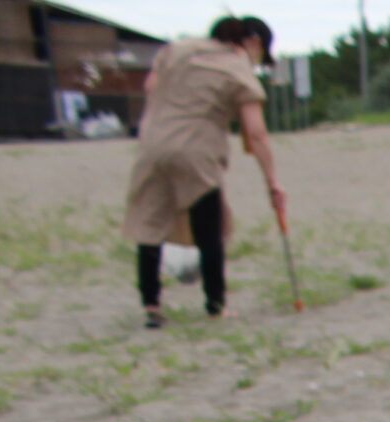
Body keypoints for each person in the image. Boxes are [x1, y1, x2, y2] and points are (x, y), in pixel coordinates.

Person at [122, 17, 285, 330]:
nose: (258, 61)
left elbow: (150, 87)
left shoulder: (176, 49)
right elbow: (257, 133)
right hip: (197, 149)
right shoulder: (238, 68)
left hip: (153, 144)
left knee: (149, 225)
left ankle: (151, 305)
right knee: (209, 229)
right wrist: (272, 182)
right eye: (261, 54)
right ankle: (215, 305)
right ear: (252, 43)